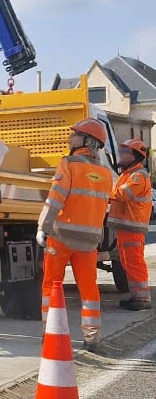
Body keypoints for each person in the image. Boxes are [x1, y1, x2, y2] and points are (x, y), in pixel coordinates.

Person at [36, 118, 112, 352]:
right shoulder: (105, 173)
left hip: (61, 238)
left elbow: (54, 200)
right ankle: (92, 339)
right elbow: (102, 209)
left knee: (51, 287)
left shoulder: (68, 164)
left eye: (75, 135)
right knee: (89, 289)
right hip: (88, 242)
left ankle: (51, 336)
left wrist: (43, 227)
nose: (70, 138)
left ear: (87, 140)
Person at [109, 138, 152, 311]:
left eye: (124, 152)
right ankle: (137, 296)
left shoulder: (138, 175)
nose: (120, 155)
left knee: (134, 262)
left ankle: (142, 298)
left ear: (135, 156)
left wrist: (102, 189)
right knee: (127, 262)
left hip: (132, 227)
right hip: (126, 227)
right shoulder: (127, 174)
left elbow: (121, 194)